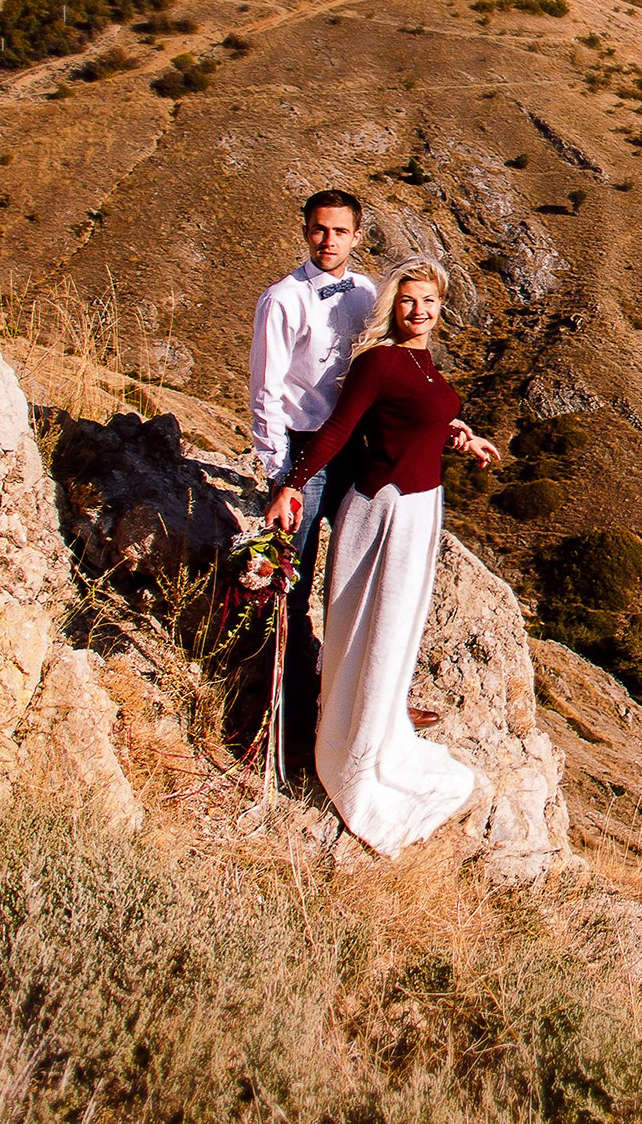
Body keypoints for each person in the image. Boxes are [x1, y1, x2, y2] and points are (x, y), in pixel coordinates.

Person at [265, 258, 503, 856]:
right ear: (392, 307)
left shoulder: (422, 362)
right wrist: (292, 483)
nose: (418, 311)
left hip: (420, 507)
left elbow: (420, 414)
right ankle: (351, 754)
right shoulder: (379, 362)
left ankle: (377, 728)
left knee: (397, 635)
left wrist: (461, 435)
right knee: (373, 631)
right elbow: (340, 428)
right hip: (385, 512)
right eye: (407, 302)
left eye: (428, 302)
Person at [247, 189, 378, 761]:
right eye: (319, 230)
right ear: (305, 232)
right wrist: (282, 477)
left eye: (340, 232)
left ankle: (350, 712)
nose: (329, 241)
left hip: (356, 448)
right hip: (305, 454)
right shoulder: (282, 300)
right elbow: (265, 392)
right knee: (290, 586)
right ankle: (280, 715)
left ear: (356, 235)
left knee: (352, 583)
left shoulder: (370, 292)